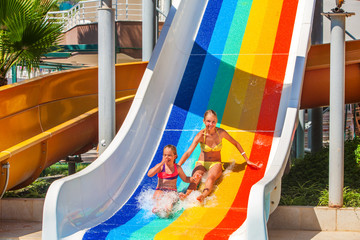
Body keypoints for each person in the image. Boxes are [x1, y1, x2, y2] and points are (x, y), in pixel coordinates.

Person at [178, 110, 262, 203]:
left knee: (210, 178)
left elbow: (236, 143)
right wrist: (178, 165)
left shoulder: (221, 133)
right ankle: (186, 195)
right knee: (195, 177)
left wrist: (247, 159)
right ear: (204, 121)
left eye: (213, 121)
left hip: (215, 163)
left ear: (216, 121)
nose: (211, 124)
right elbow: (189, 152)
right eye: (208, 121)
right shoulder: (200, 135)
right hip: (202, 162)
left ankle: (203, 195)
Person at [147, 144, 196, 217]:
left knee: (169, 199)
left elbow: (185, 179)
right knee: (158, 196)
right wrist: (161, 163)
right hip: (160, 190)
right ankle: (157, 208)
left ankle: (166, 210)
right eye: (165, 155)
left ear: (175, 156)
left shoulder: (177, 168)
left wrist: (193, 179)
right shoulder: (160, 167)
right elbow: (150, 174)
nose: (167, 157)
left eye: (169, 155)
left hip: (171, 191)